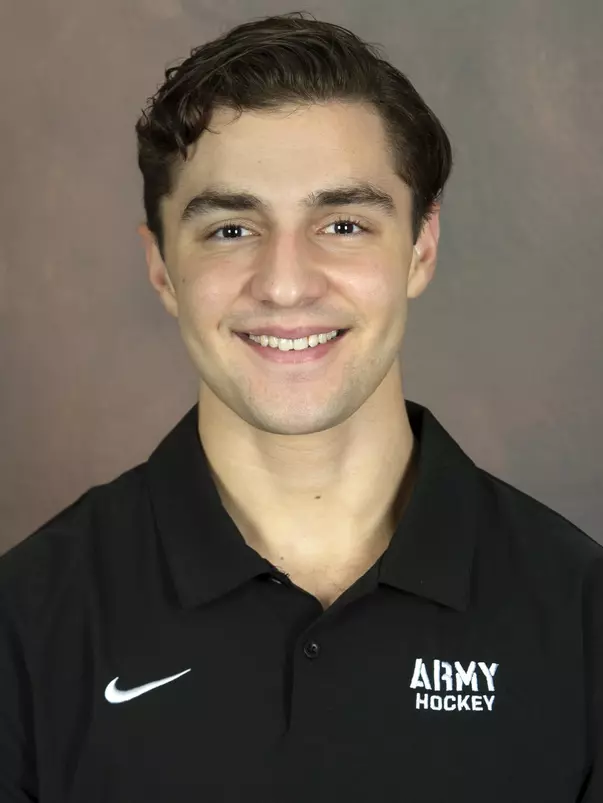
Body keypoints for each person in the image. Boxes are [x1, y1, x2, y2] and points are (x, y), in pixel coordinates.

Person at [0, 10, 601, 802]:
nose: (285, 284)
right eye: (230, 229)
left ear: (419, 249)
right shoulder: (27, 622)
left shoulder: (580, 615)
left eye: (343, 223)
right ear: (162, 269)